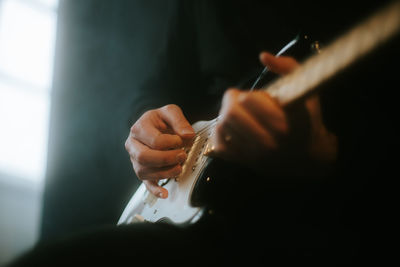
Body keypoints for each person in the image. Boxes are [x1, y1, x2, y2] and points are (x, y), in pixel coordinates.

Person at [8, 0, 397, 266]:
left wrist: (323, 152)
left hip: (322, 229)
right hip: (194, 224)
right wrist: (144, 125)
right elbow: (157, 83)